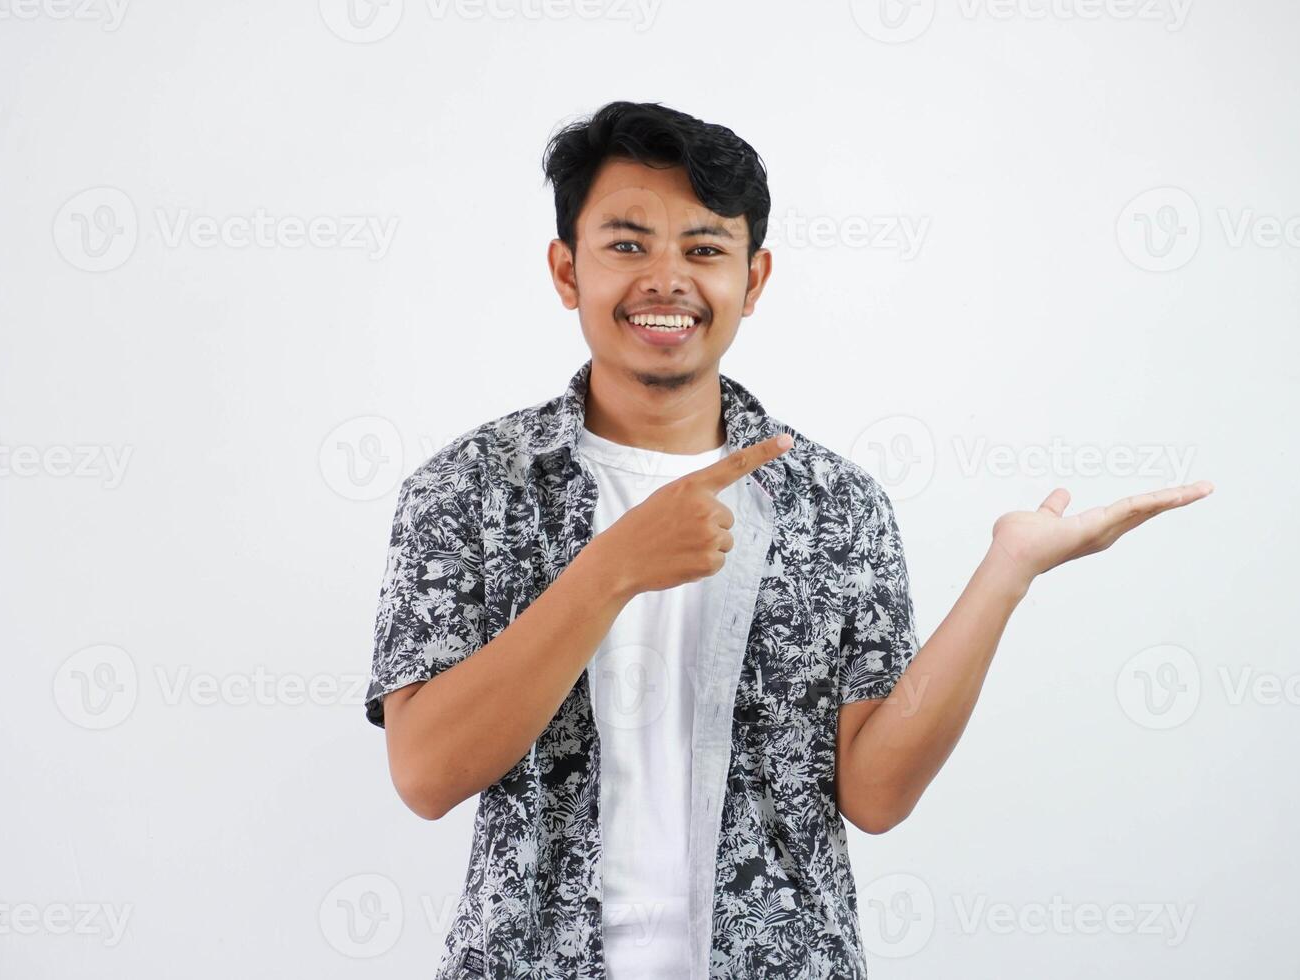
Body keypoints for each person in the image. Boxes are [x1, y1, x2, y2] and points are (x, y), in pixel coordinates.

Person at [364, 100, 1213, 980]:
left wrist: (1008, 573)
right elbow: (426, 773)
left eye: (703, 249)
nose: (666, 279)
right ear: (566, 269)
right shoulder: (469, 487)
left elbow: (875, 795)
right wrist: (613, 568)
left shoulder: (835, 502)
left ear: (754, 278)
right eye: (626, 244)